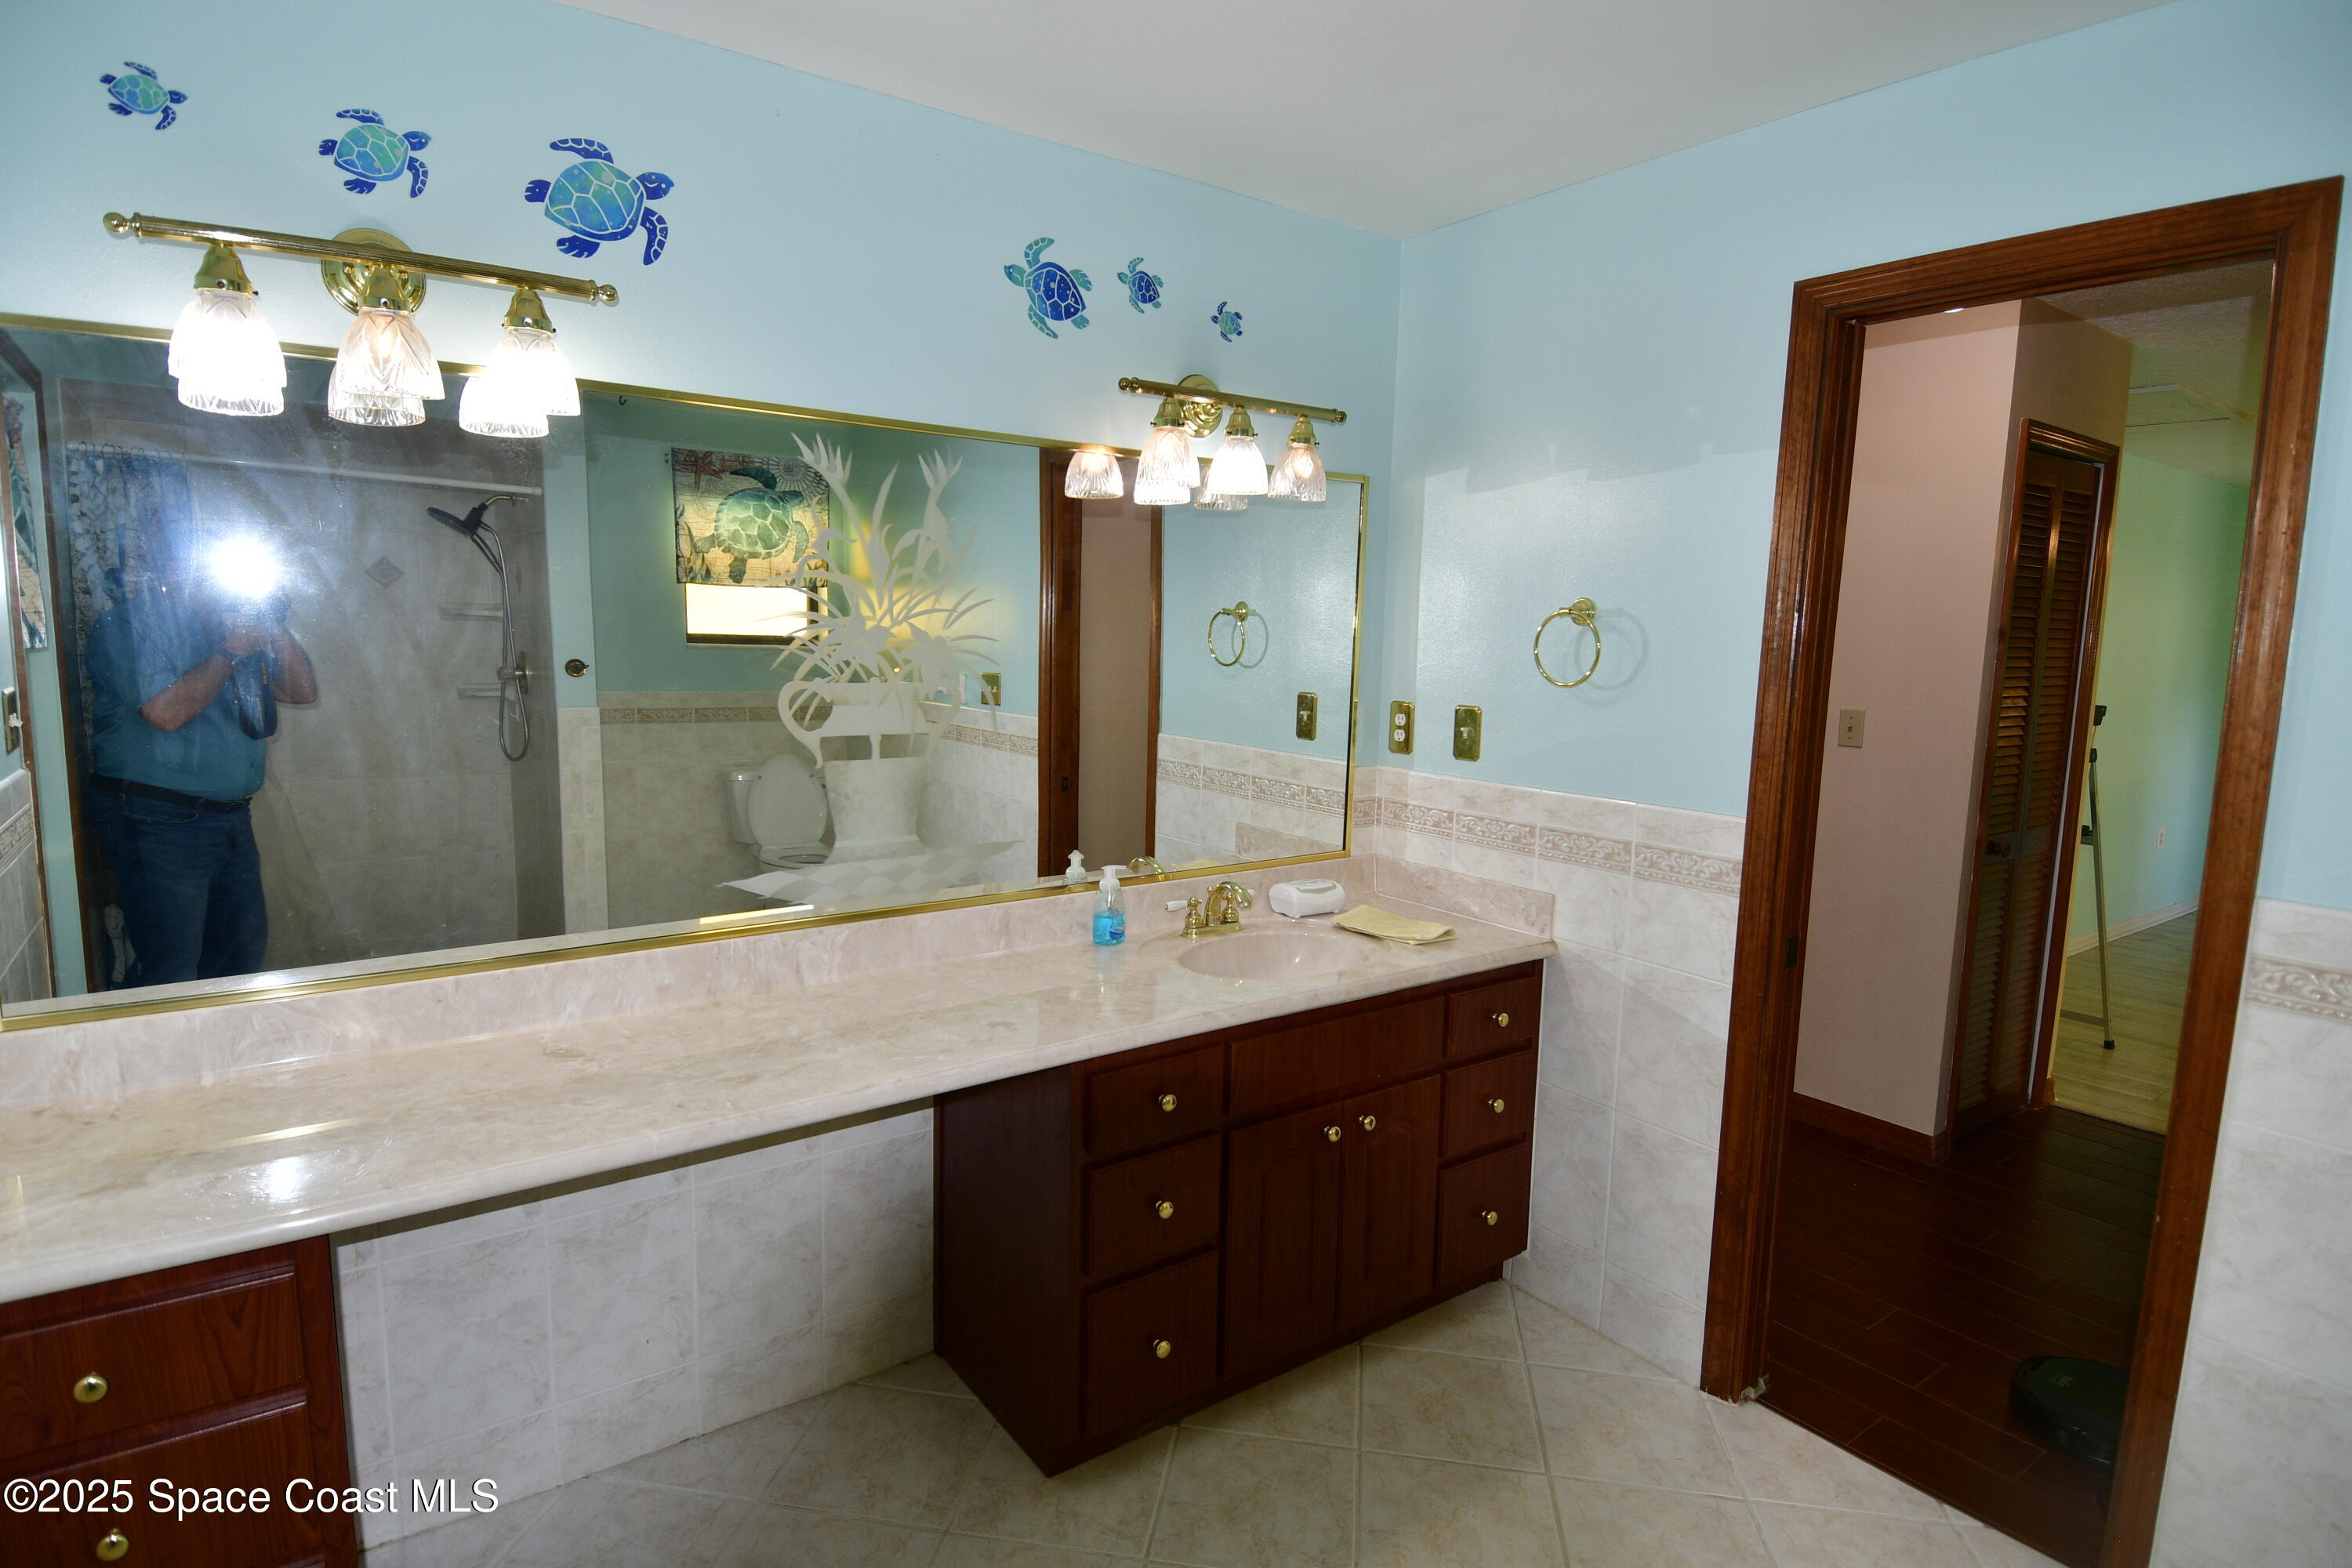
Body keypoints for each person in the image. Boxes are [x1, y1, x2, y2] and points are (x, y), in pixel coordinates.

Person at [82, 555, 317, 986]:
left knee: (238, 953)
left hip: (229, 817)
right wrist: (231, 651)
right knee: (171, 965)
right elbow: (165, 713)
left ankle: (217, 1051)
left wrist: (272, 622)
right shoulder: (127, 626)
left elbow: (301, 691)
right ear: (170, 573)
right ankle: (156, 1051)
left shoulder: (224, 628)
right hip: (156, 818)